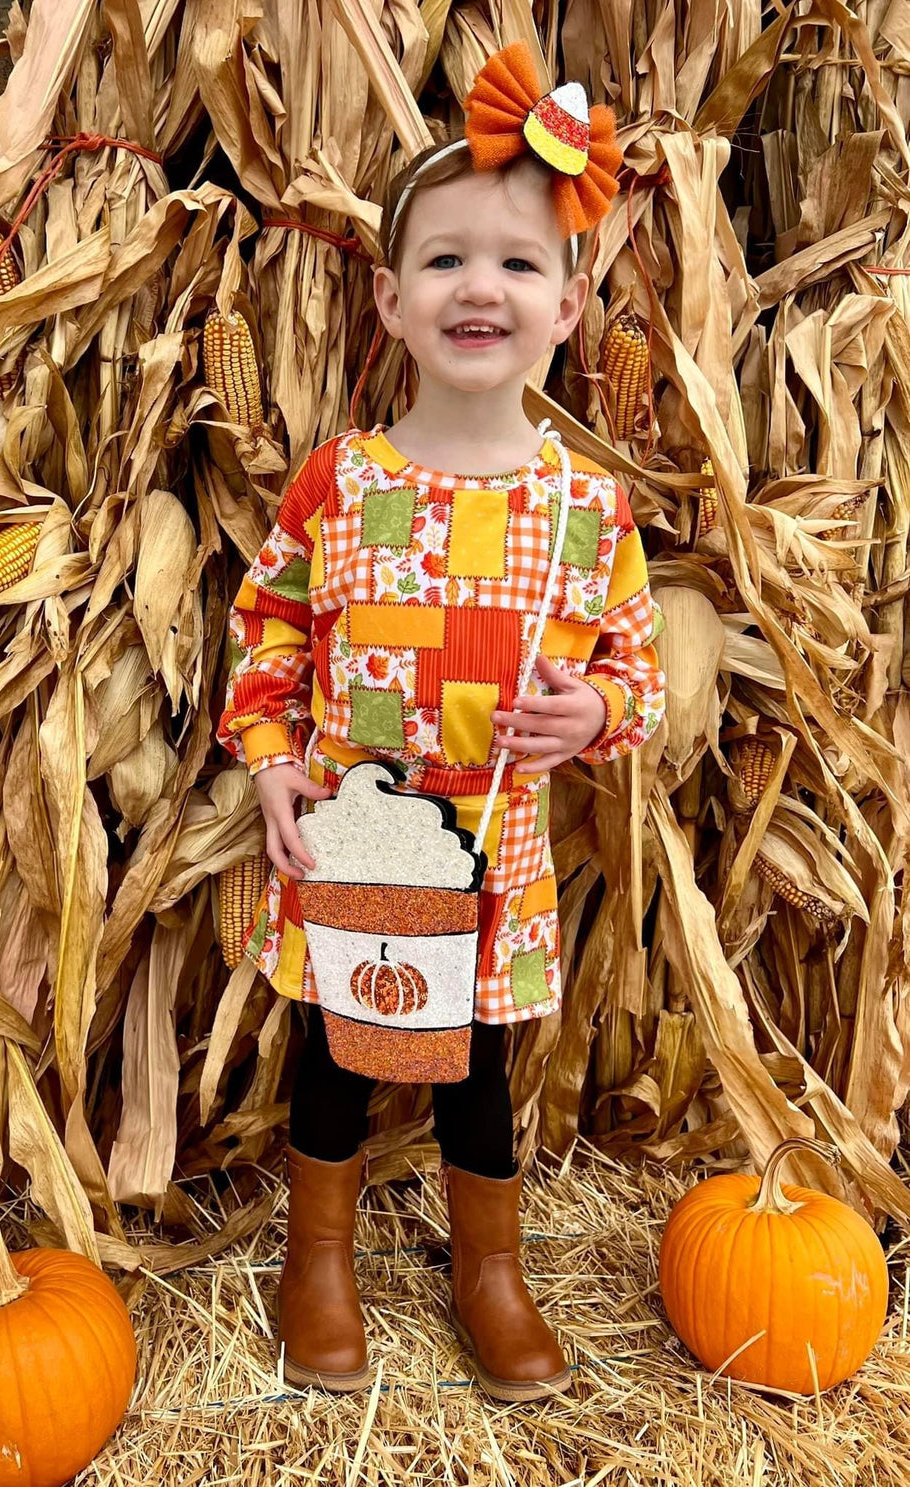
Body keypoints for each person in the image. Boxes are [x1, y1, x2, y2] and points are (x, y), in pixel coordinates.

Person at [218, 41, 666, 1403]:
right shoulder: (338, 484)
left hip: (489, 867)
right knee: (334, 1060)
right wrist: (273, 765)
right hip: (352, 850)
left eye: (521, 264)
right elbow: (270, 632)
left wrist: (593, 709)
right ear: (391, 300)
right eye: (448, 262)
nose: (484, 286)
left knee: (474, 1067)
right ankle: (319, 1261)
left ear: (572, 306)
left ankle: (489, 1268)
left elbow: (639, 679)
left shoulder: (590, 513)